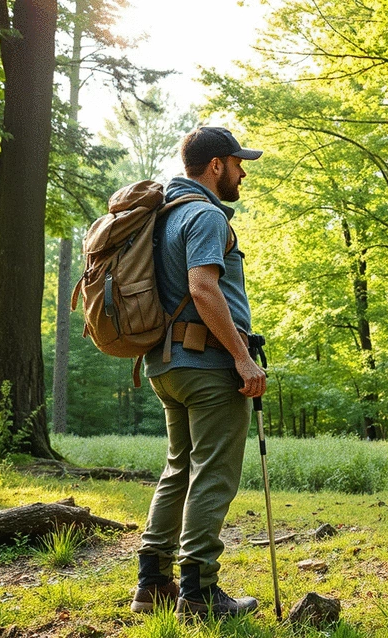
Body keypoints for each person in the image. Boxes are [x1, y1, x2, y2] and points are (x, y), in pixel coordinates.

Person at [129, 126, 267, 620]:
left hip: (166, 365)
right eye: (237, 163)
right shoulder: (205, 214)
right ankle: (199, 593)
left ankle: (153, 584)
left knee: (179, 470)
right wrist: (241, 356)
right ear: (216, 166)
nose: (242, 171)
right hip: (207, 366)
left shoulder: (165, 215)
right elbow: (204, 289)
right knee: (212, 475)